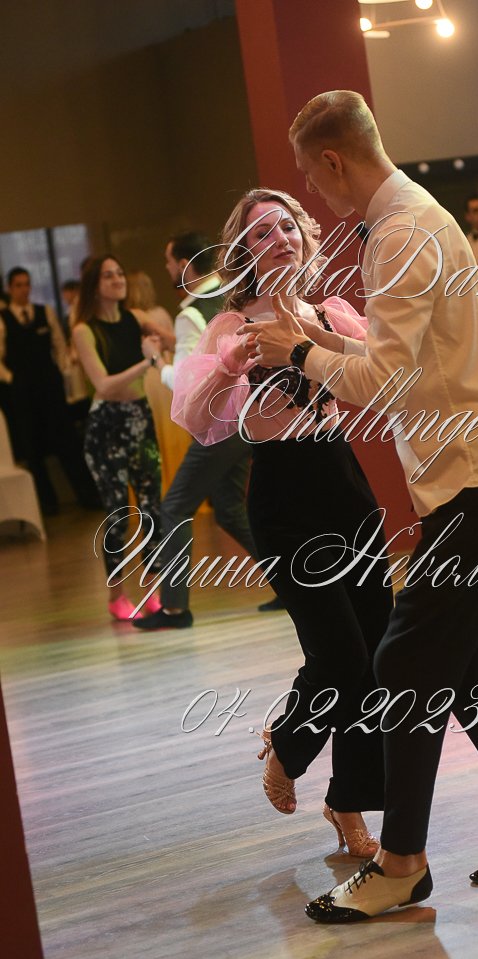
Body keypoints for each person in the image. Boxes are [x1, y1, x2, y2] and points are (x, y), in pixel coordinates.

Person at [248, 91, 478, 923]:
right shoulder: (415, 217)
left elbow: (385, 382)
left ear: (334, 161)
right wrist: (319, 342)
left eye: (311, 177)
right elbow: (405, 355)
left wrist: (298, 351)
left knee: (403, 664)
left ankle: (401, 863)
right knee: (470, 678)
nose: (314, 193)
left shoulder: (399, 231)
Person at [172, 190, 394, 856]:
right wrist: (228, 370)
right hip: (283, 496)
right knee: (339, 654)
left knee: (376, 651)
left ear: (305, 235)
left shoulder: (331, 313)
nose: (279, 239)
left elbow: (382, 381)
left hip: (345, 485)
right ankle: (289, 746)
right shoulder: (232, 324)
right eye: (262, 232)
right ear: (243, 249)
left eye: (288, 226)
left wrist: (324, 341)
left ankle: (349, 801)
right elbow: (198, 420)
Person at [133, 232, 276, 631]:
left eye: (169, 262)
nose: (167, 268)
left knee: (175, 507)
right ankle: (291, 582)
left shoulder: (190, 314)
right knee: (229, 509)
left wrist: (155, 361)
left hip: (219, 426)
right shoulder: (232, 296)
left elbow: (185, 385)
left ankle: (175, 609)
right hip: (249, 418)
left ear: (184, 264)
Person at [72, 256, 165, 621]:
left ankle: (154, 591)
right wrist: (147, 362)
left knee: (152, 508)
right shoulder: (84, 330)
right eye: (108, 276)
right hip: (106, 425)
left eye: (120, 273)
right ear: (94, 286)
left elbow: (170, 339)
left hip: (140, 417)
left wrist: (161, 338)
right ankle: (117, 596)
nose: (118, 280)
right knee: (118, 513)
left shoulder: (136, 318)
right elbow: (104, 385)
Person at [0, 266, 99, 515]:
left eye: (27, 284)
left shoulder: (44, 312)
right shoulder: (3, 319)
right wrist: (11, 379)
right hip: (23, 391)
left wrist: (63, 371)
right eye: (19, 285)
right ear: (10, 288)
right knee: (32, 449)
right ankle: (47, 503)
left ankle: (87, 495)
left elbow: (59, 345)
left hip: (50, 386)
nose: (24, 289)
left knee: (67, 441)